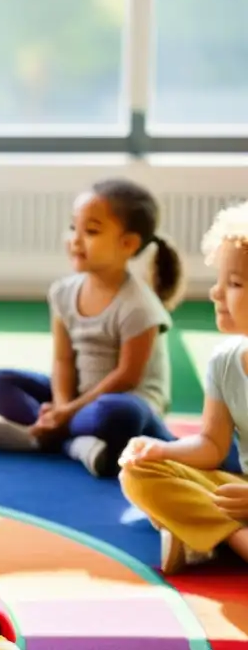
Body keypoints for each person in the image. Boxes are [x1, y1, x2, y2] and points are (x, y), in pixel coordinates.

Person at [0, 178, 185, 478]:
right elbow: (63, 360)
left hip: (127, 402)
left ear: (128, 244)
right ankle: (72, 443)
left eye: (91, 231)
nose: (76, 239)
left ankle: (44, 436)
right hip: (78, 399)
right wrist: (60, 404)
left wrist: (64, 414)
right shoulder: (62, 293)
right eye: (73, 228)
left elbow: (126, 378)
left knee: (118, 414)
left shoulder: (140, 307)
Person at [120, 201, 248, 574]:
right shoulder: (225, 361)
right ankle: (234, 535)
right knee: (139, 473)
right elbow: (211, 446)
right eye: (219, 279)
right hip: (238, 490)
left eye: (235, 283)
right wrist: (161, 450)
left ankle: (200, 530)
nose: (215, 293)